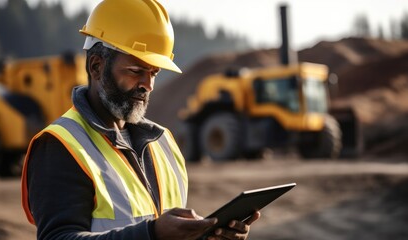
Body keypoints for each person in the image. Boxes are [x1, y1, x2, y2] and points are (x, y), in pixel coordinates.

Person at [21, 0, 260, 239]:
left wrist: (208, 236)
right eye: (136, 71)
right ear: (96, 67)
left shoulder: (164, 142)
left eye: (154, 73)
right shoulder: (60, 146)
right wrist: (151, 234)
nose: (148, 85)